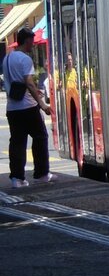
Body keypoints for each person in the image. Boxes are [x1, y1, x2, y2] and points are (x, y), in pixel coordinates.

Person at [5, 27, 54, 188]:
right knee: (40, 137)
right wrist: (43, 105)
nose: (33, 45)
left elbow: (16, 82)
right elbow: (29, 82)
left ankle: (17, 178)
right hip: (28, 106)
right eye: (32, 42)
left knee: (17, 142)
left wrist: (32, 89)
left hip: (12, 108)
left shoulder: (7, 58)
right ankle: (41, 173)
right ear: (26, 41)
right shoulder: (25, 59)